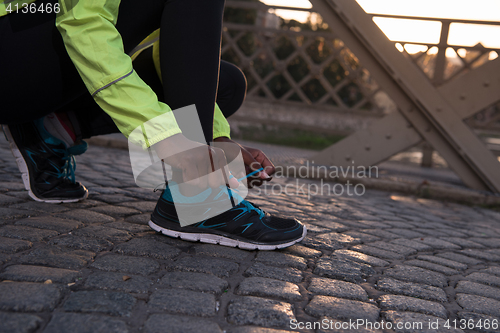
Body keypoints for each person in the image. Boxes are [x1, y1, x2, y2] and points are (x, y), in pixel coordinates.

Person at [0, 0, 306, 250]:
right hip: (16, 39)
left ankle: (50, 129)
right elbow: (83, 23)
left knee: (226, 84)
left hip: (39, 47)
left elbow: (175, 46)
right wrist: (171, 143)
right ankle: (197, 195)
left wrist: (214, 138)